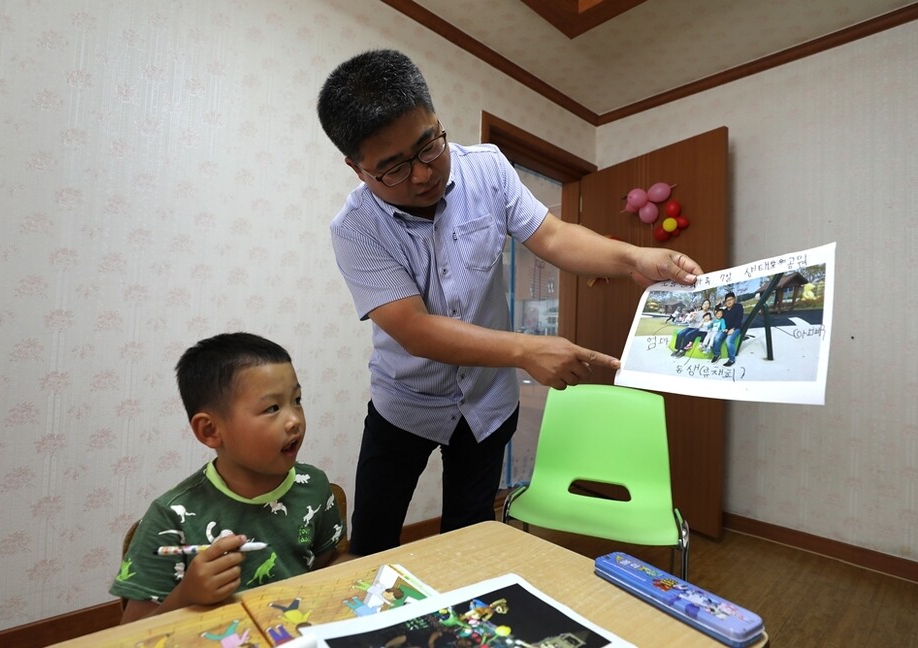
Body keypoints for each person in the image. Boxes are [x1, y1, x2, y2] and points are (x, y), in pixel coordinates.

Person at [316, 49, 703, 556]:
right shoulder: (356, 228)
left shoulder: (489, 170)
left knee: (470, 537)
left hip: (486, 403)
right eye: (392, 168)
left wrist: (634, 256)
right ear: (356, 168)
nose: (421, 175)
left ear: (436, 120)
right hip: (403, 404)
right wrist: (525, 350)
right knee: (372, 540)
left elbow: (556, 237)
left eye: (428, 145)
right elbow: (415, 329)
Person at [110, 333, 344, 623]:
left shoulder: (314, 487)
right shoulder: (170, 518)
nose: (294, 418)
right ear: (210, 430)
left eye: (297, 400)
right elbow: (130, 632)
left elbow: (325, 568)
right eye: (272, 408)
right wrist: (187, 595)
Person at [712, 291, 745, 367]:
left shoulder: (738, 307)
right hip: (725, 329)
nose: (729, 302)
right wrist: (717, 306)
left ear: (734, 299)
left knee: (729, 340)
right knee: (717, 337)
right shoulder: (725, 310)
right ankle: (717, 354)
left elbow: (739, 319)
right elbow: (718, 314)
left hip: (736, 328)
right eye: (727, 300)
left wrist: (733, 329)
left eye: (731, 299)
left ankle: (731, 359)